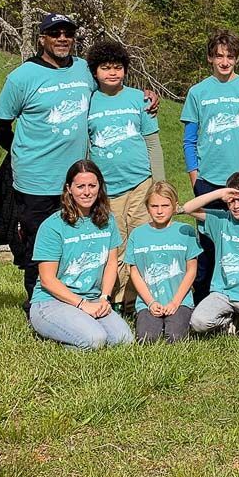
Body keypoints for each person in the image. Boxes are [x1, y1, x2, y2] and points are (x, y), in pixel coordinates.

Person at [0, 13, 98, 308]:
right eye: (55, 33)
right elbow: (2, 123)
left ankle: (71, 298)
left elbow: (110, 87)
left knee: (75, 241)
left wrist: (145, 94)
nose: (63, 38)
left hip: (76, 181)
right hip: (35, 179)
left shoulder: (83, 70)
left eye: (68, 33)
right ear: (42, 39)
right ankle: (37, 303)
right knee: (38, 244)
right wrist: (22, 154)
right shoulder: (22, 77)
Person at [180, 29, 239, 302]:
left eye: (230, 56)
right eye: (219, 56)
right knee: (208, 246)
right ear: (210, 58)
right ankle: (205, 301)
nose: (224, 62)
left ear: (237, 60)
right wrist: (196, 177)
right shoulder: (198, 92)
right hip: (209, 179)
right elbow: (189, 140)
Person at [86, 38, 165, 312]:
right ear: (95, 71)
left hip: (141, 183)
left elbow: (152, 142)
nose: (112, 73)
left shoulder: (138, 99)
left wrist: (159, 184)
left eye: (118, 67)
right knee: (115, 246)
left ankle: (142, 298)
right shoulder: (89, 101)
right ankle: (118, 300)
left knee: (142, 240)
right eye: (106, 67)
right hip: (108, 188)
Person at [28, 160, 133, 350]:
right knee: (94, 340)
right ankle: (56, 337)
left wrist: (104, 298)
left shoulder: (107, 220)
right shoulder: (52, 226)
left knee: (123, 340)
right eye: (80, 186)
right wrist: (82, 304)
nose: (87, 192)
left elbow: (111, 264)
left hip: (93, 298)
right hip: (52, 301)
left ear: (99, 187)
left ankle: (75, 330)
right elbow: (47, 280)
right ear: (69, 188)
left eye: (92, 186)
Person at [183, 171, 239, 343]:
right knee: (198, 322)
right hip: (222, 293)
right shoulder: (222, 221)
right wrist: (220, 193)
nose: (236, 205)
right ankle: (227, 321)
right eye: (232, 200)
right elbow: (187, 208)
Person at [123, 181, 199, 344]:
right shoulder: (138, 234)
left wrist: (175, 302)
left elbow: (191, 270)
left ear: (175, 205)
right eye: (154, 206)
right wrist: (150, 302)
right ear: (147, 207)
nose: (159, 211)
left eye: (165, 205)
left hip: (179, 300)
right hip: (149, 300)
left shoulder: (185, 231)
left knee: (175, 337)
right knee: (147, 338)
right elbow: (134, 272)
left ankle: (178, 320)